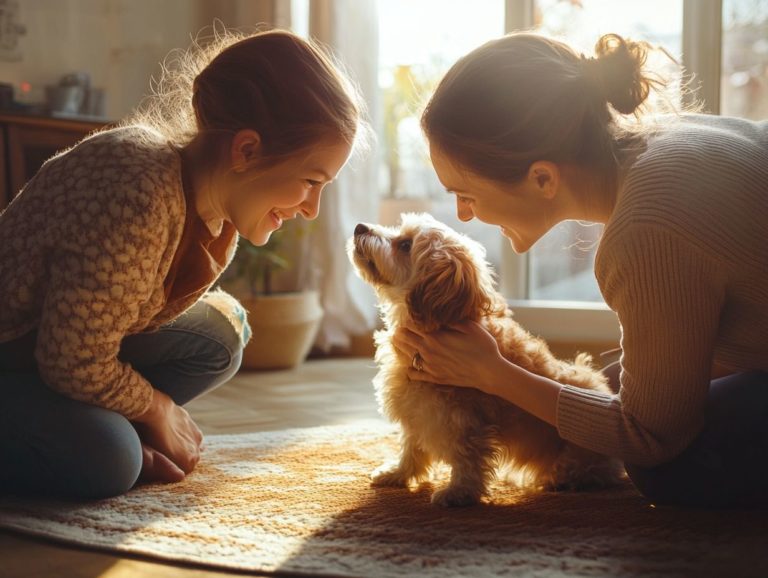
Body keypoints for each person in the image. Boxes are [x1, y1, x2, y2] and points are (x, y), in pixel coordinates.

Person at [394, 32, 768, 508]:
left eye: (464, 194)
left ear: (543, 178)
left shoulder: (648, 227)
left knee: (666, 467)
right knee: (611, 384)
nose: (463, 215)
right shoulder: (668, 141)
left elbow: (651, 437)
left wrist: (494, 372)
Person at [0, 29, 363, 499]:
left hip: (49, 350)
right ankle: (98, 435)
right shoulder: (139, 191)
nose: (312, 207)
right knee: (110, 459)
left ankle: (82, 424)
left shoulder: (219, 216)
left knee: (221, 334)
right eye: (311, 181)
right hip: (20, 348)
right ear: (247, 151)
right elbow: (73, 360)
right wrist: (155, 409)